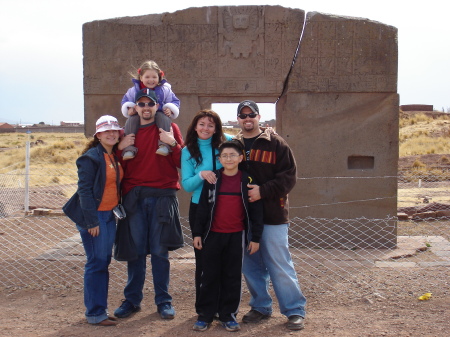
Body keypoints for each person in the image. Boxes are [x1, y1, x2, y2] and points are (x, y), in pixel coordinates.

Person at [234, 100, 307, 331]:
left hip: (273, 215)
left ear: (258, 116)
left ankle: (294, 310)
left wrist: (262, 191)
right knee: (250, 265)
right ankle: (260, 307)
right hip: (244, 217)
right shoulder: (233, 145)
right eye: (243, 115)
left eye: (251, 114)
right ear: (238, 118)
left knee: (279, 263)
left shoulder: (275, 143)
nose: (247, 118)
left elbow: (289, 177)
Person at [113, 87, 184, 320]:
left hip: (162, 197)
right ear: (136, 107)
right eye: (141, 104)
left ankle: (163, 301)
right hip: (134, 198)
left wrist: (172, 143)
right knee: (135, 253)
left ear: (156, 106)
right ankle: (132, 300)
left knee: (160, 252)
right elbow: (113, 162)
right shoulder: (126, 132)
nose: (146, 108)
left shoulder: (169, 128)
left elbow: (181, 161)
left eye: (150, 104)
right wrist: (119, 149)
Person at [191, 140, 264, 332]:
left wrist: (255, 237)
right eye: (224, 155)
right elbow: (203, 209)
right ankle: (205, 315)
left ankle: (228, 315)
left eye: (233, 155)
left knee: (232, 277)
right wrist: (198, 233)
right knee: (209, 276)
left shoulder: (247, 180)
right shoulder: (213, 179)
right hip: (212, 236)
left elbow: (256, 212)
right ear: (219, 159)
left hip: (236, 237)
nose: (228, 158)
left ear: (240, 158)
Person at [63, 115, 124, 326]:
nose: (111, 133)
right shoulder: (90, 158)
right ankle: (95, 313)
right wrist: (91, 222)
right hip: (95, 217)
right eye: (106, 130)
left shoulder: (112, 156)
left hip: (108, 215)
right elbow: (85, 192)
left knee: (102, 262)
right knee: (96, 263)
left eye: (114, 130)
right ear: (98, 135)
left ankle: (101, 310)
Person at [180, 109, 232, 309]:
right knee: (203, 260)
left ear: (216, 128)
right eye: (202, 124)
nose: (206, 128)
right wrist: (201, 174)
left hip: (224, 206)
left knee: (225, 260)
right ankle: (204, 307)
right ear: (195, 126)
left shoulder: (225, 142)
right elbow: (187, 185)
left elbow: (242, 143)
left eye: (211, 125)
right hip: (200, 209)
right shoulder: (188, 151)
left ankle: (223, 306)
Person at [121, 60, 180, 159]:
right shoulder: (134, 90)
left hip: (160, 112)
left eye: (154, 77)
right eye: (147, 77)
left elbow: (174, 101)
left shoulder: (164, 90)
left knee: (164, 118)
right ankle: (129, 148)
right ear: (141, 77)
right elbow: (125, 100)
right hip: (138, 114)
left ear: (159, 77)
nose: (151, 80)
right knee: (131, 121)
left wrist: (170, 108)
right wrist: (129, 108)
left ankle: (164, 145)